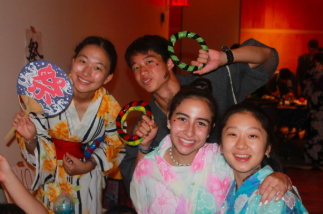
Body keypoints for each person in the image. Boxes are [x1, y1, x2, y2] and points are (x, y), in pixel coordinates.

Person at [120, 35, 280, 194]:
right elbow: (135, 187)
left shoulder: (211, 81)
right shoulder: (145, 128)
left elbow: (268, 58)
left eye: (149, 61)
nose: (143, 71)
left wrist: (225, 57)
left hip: (251, 189)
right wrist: (144, 147)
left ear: (169, 62)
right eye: (136, 67)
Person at [130, 79, 292, 214]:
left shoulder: (222, 158)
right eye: (182, 119)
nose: (189, 131)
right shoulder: (147, 166)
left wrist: (281, 177)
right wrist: (144, 149)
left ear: (210, 129)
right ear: (168, 119)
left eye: (201, 123)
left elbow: (254, 172)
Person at [12, 36, 124, 214]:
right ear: (73, 61)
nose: (86, 72)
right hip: (51, 179)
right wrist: (31, 138)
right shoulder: (48, 92)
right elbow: (33, 142)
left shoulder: (111, 108)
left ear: (108, 77)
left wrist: (89, 164)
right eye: (82, 61)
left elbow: (116, 146)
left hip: (88, 181)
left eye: (97, 68)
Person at [219, 104, 308, 213]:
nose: (241, 145)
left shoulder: (273, 200)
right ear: (221, 146)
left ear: (267, 148)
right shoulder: (230, 186)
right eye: (233, 134)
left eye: (252, 135)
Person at [304, 52, 323, 169]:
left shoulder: (312, 68)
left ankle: (311, 158)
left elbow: (307, 86)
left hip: (315, 101)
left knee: (313, 130)